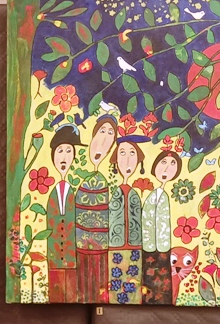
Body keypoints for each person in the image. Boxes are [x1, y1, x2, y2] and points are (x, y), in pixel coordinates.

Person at [75, 115, 116, 303]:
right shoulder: (78, 171)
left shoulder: (110, 177)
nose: (104, 139)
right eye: (102, 131)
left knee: (99, 290)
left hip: (102, 251)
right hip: (79, 249)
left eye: (110, 135)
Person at [107, 133, 148, 304]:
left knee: (134, 286)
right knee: (115, 287)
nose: (128, 160)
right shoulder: (114, 193)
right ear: (116, 160)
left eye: (132, 154)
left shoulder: (135, 195)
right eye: (122, 154)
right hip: (114, 248)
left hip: (135, 248)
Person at [46, 125, 83, 302]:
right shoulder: (51, 193)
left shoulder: (75, 192)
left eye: (69, 151)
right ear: (53, 155)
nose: (64, 157)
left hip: (72, 258)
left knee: (72, 294)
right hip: (54, 258)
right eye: (60, 151)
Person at [142, 150, 181, 304]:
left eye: (172, 165)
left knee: (162, 280)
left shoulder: (163, 196)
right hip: (148, 246)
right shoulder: (152, 195)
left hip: (162, 247)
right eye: (163, 163)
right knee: (148, 280)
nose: (166, 169)